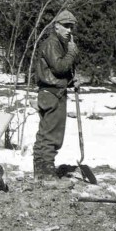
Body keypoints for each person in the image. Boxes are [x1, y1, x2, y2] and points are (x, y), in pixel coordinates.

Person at [33, 10, 80, 180]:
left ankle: (40, 171)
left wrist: (71, 81)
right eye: (66, 26)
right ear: (56, 26)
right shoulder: (52, 43)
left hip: (52, 92)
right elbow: (59, 67)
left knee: (45, 133)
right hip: (53, 94)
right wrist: (72, 53)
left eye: (71, 27)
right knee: (52, 135)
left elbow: (58, 71)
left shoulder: (59, 43)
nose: (69, 30)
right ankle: (46, 173)